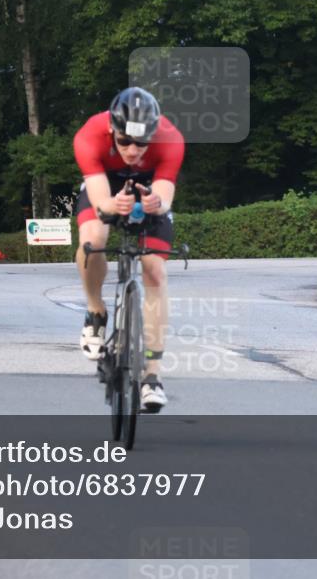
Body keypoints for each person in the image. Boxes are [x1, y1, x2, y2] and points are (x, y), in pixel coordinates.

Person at [73, 87, 185, 412]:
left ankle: (152, 376)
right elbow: (99, 202)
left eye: (141, 143)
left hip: (147, 191)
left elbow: (165, 197)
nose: (133, 150)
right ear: (111, 129)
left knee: (154, 269)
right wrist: (112, 205)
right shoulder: (90, 134)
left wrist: (156, 203)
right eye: (124, 142)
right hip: (106, 188)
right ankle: (96, 312)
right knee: (92, 241)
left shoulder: (171, 138)